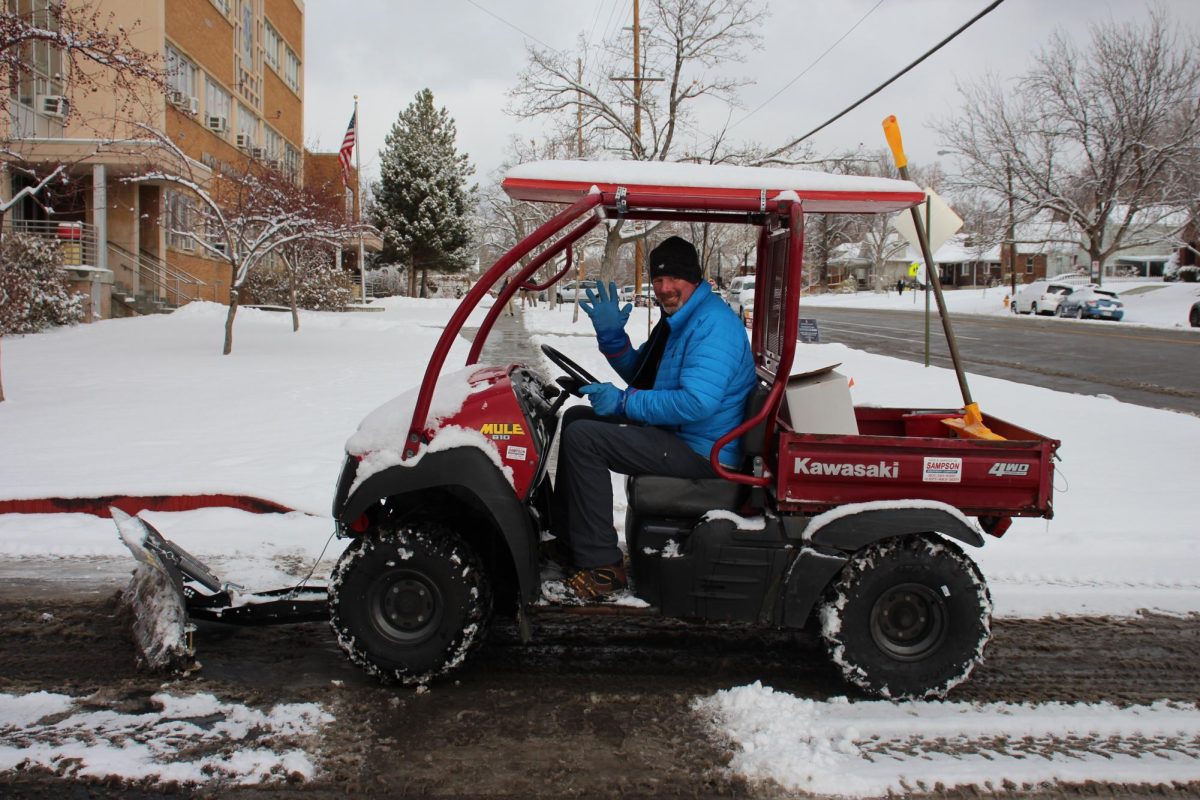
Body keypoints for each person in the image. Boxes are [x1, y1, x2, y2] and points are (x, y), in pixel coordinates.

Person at [549, 236, 757, 601]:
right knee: (578, 417)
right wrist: (612, 336)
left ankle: (603, 569)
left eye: (673, 279)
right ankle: (571, 539)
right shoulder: (679, 321)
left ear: (694, 278)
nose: (664, 288)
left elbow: (696, 403)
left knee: (587, 440)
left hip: (702, 450)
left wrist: (624, 404)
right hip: (681, 434)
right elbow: (642, 375)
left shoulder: (712, 326)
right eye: (658, 280)